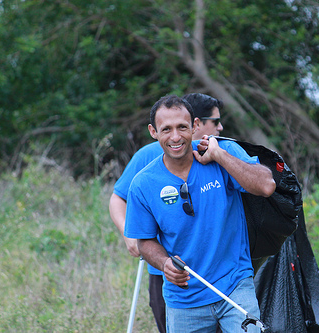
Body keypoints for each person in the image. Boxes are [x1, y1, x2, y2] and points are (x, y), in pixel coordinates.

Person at [124, 95, 276, 332]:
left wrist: (220, 157)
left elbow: (266, 186)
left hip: (235, 285)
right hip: (184, 299)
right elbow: (144, 241)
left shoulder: (221, 150)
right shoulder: (143, 184)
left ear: (194, 126)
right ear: (153, 131)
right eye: (167, 129)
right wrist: (165, 263)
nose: (175, 137)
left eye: (182, 127)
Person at [109, 93, 224, 333]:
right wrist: (128, 235)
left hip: (218, 271)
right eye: (215, 121)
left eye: (182, 126)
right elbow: (118, 198)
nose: (220, 127)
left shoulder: (220, 155)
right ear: (199, 123)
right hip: (166, 272)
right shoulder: (149, 155)